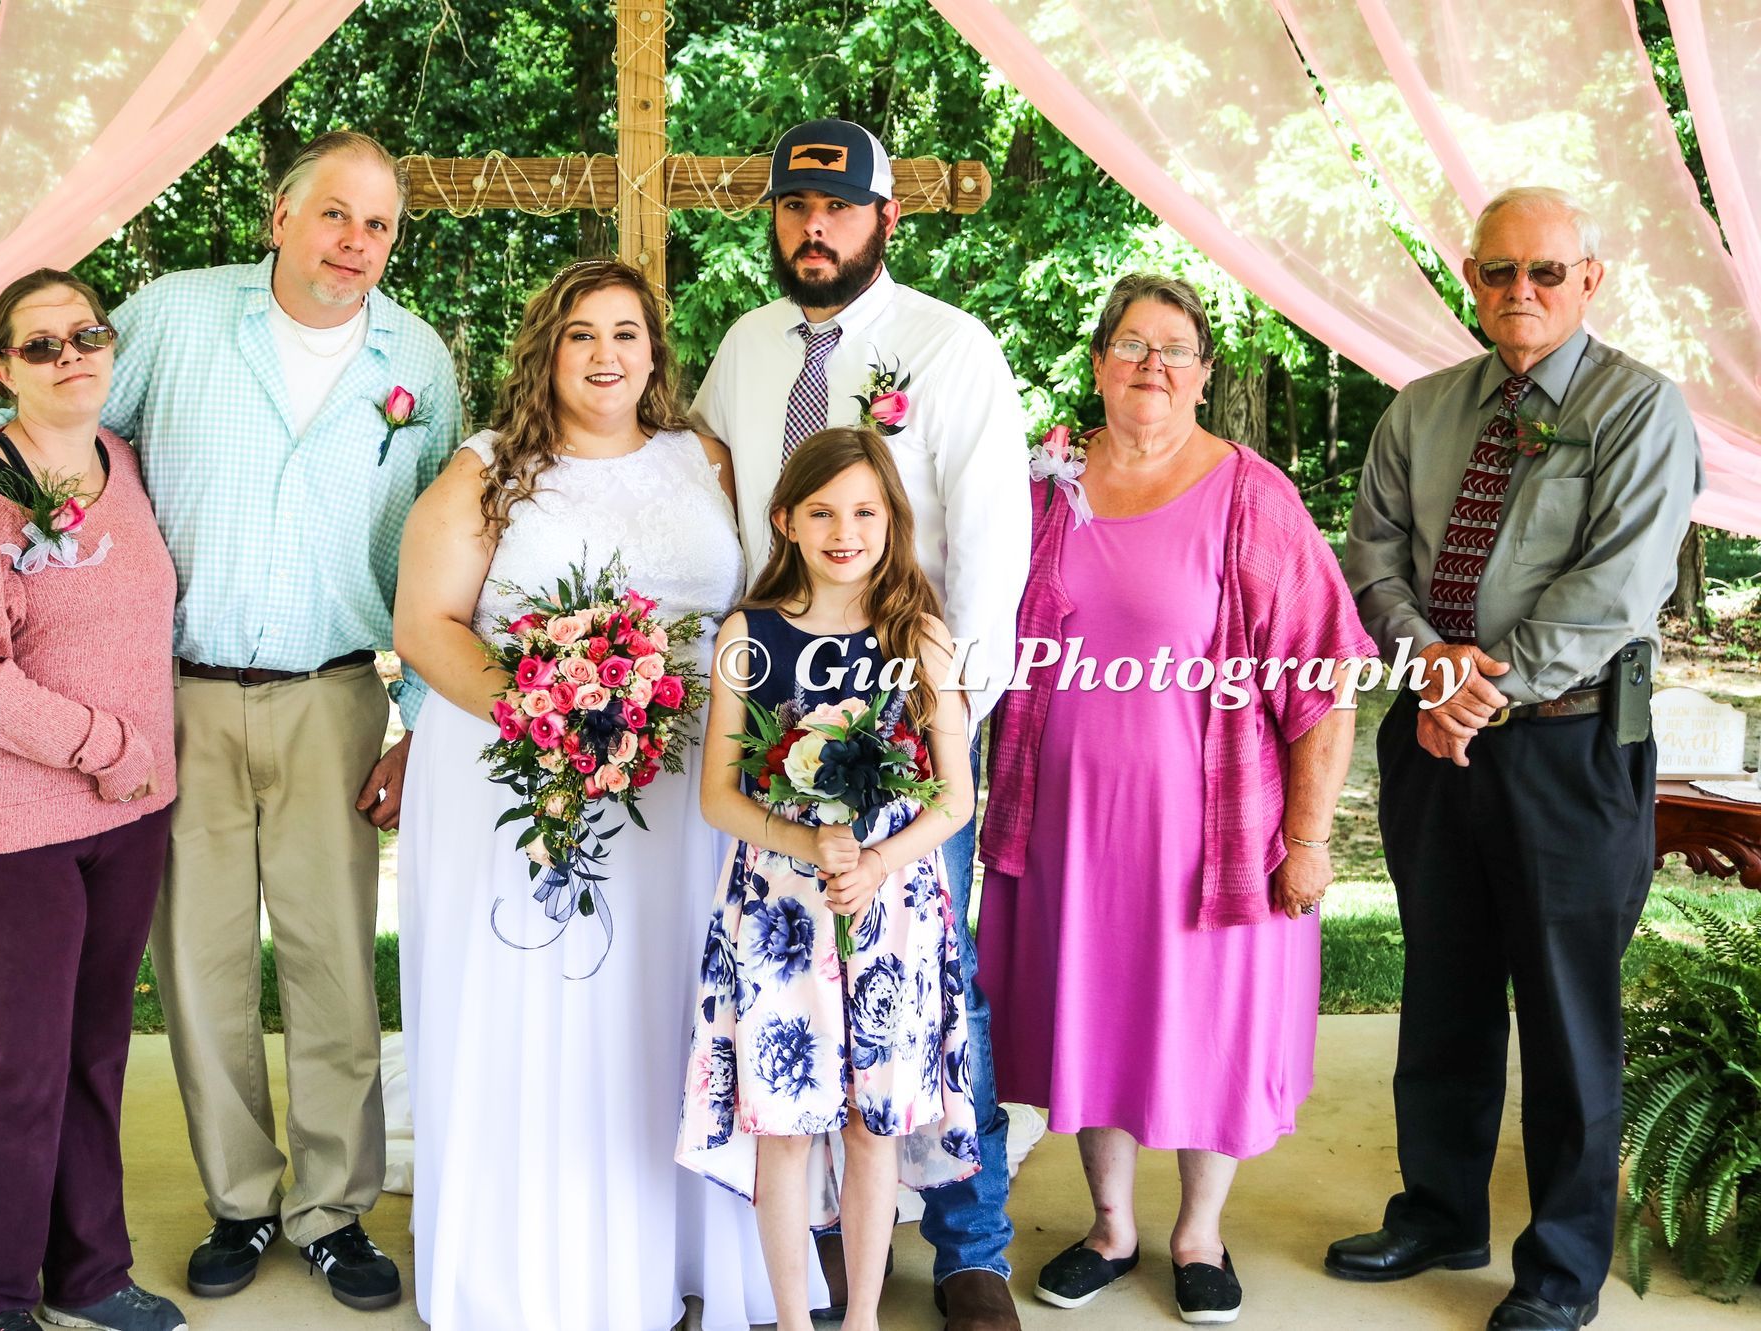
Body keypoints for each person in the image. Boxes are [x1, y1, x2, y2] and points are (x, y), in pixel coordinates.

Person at [0, 131, 461, 1313]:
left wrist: (418, 718)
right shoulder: (175, 315)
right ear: (282, 216)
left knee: (333, 964)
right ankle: (240, 1199)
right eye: (335, 214)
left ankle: (332, 1210)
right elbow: (54, 421)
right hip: (177, 700)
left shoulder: (418, 358)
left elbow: (437, 545)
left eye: (379, 224)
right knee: (200, 968)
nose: (356, 242)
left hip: (335, 694)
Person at [1333, 186, 1702, 1331]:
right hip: (1433, 745)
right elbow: (1373, 558)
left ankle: (1560, 1271)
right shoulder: (1422, 409)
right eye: (1499, 271)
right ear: (1472, 278)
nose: (1521, 291)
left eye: (1546, 271)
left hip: (1570, 746)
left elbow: (1615, 587)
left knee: (1566, 1015)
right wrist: (1431, 671)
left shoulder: (1641, 409)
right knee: (1441, 986)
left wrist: (1475, 690)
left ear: (1590, 279)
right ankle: (1439, 1211)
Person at [393, 258, 787, 1330]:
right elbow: (425, 625)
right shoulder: (488, 471)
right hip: (524, 778)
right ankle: (541, 1272)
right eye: (581, 334)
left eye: (625, 332)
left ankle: (684, 1248)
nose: (605, 354)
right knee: (546, 1008)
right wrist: (554, 717)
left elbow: (755, 603)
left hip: (688, 787)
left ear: (656, 352)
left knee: (672, 1005)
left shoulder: (703, 458)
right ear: (547, 352)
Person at [976, 273, 1374, 1325]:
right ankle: (1110, 1226)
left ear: (1203, 375)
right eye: (1132, 344)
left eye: (1175, 349)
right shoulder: (1043, 488)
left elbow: (1326, 675)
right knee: (1093, 1016)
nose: (1152, 365)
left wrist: (1308, 837)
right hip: (1067, 831)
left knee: (1207, 1024)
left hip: (1212, 835)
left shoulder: (1252, 496)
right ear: (1099, 362)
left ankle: (1200, 1233)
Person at [691, 116, 1029, 1331]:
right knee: (801, 994)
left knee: (932, 987)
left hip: (905, 727)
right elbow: (722, 508)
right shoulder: (744, 347)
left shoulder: (951, 346)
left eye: (837, 208)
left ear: (887, 217)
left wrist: (931, 731)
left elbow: (989, 544)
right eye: (794, 206)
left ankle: (973, 1244)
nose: (814, 226)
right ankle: (832, 1248)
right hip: (776, 716)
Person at [0, 270, 185, 1331]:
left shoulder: (127, 458)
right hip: (8, 822)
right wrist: (102, 744)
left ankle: (91, 1271)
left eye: (88, 333)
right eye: (41, 344)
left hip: (127, 814)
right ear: (2, 368)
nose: (71, 354)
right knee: (28, 1064)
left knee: (95, 1053)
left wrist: (130, 767)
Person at [677, 427, 982, 1331]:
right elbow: (719, 795)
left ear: (892, 519)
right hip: (780, 908)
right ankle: (791, 1317)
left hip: (888, 909)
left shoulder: (919, 635)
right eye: (821, 512)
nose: (844, 532)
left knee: (869, 1122)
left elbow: (956, 794)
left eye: (864, 511)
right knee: (785, 1120)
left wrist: (879, 860)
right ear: (785, 520)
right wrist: (804, 843)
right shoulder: (751, 634)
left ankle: (862, 1319)